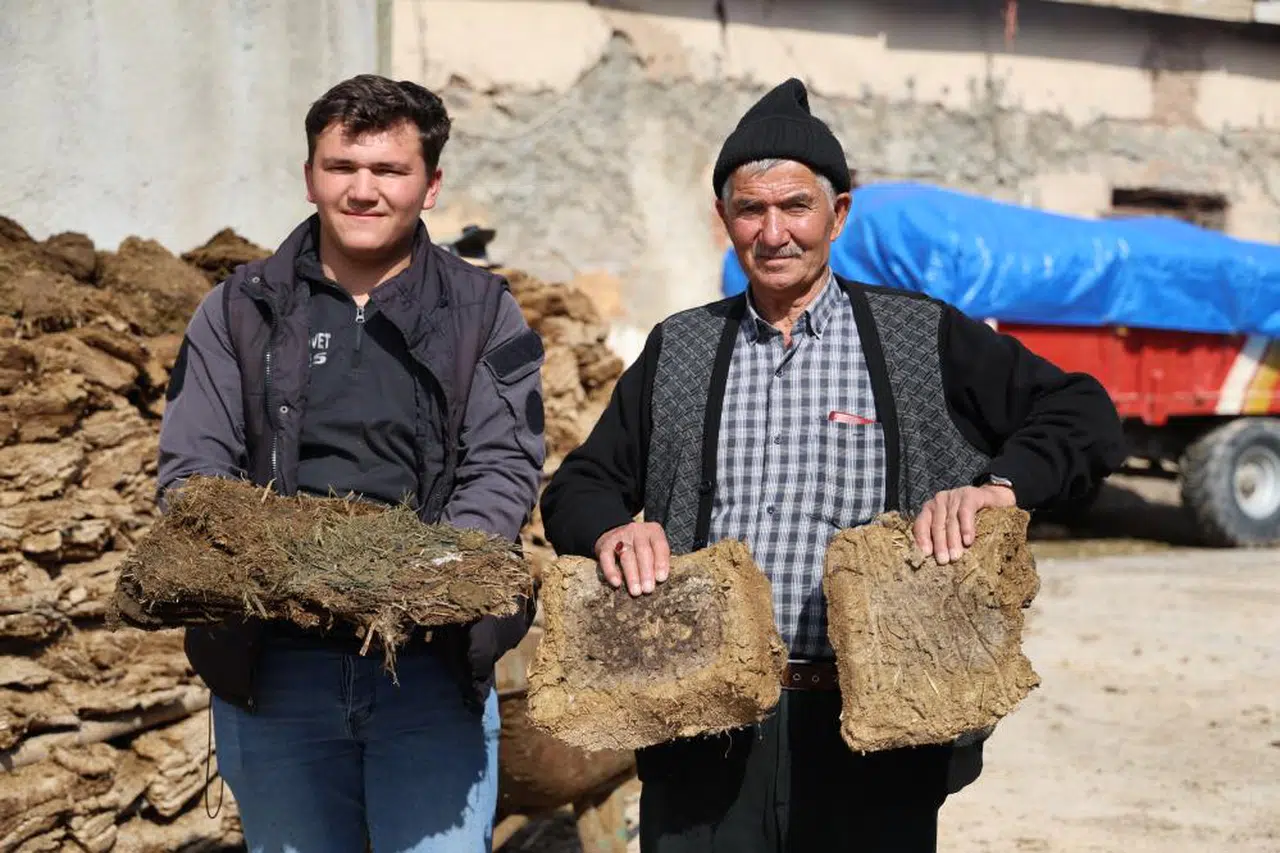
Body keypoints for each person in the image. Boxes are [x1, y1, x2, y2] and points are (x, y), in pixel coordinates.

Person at [540, 78, 1125, 853]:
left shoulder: (918, 336)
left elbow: (1083, 411)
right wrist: (612, 530)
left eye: (796, 206)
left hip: (872, 730)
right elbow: (580, 484)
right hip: (703, 723)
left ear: (838, 213)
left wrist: (999, 487)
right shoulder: (680, 346)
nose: (773, 232)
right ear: (723, 218)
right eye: (750, 210)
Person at [157, 74, 545, 852]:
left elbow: (503, 465)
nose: (363, 190)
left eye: (389, 170)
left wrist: (426, 578)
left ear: (430, 185)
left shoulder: (482, 311)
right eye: (341, 167)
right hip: (276, 669)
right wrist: (289, 574)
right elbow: (192, 472)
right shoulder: (240, 309)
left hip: (429, 670)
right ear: (310, 176)